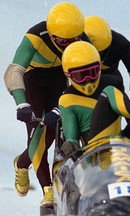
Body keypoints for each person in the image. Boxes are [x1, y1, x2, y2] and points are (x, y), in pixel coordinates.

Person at [3, 2, 90, 207]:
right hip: (34, 78)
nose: (69, 45)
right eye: (63, 41)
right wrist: (21, 103)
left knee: (52, 132)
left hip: (60, 78)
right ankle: (47, 190)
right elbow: (14, 71)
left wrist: (62, 108)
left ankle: (22, 163)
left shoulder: (83, 41)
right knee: (37, 131)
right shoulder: (35, 35)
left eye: (74, 40)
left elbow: (84, 82)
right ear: (51, 35)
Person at [84, 15, 130, 102]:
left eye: (100, 53)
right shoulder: (71, 42)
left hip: (110, 79)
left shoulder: (120, 44)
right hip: (81, 80)